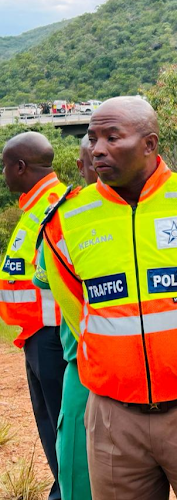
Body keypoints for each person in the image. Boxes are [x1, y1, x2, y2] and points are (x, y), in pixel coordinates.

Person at [40, 96, 177, 500]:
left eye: (112, 137)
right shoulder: (65, 221)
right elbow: (75, 307)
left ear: (150, 144)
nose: (97, 148)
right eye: (92, 138)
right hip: (113, 418)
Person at [1, 131, 67, 500]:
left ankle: (69, 491)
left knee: (61, 424)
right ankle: (63, 487)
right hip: (35, 333)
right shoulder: (33, 208)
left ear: (21, 167)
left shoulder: (55, 207)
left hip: (54, 334)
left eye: (5, 166)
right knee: (47, 422)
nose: (4, 174)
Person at [33, 136, 97, 500]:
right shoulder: (64, 220)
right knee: (78, 473)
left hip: (150, 376)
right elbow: (45, 280)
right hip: (84, 367)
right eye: (93, 155)